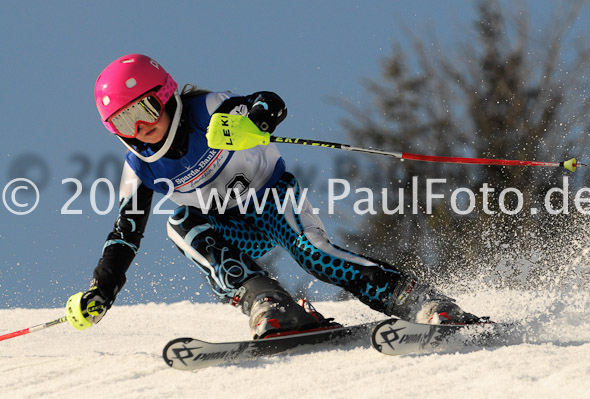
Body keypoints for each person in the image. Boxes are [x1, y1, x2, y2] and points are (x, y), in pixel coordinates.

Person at [65, 54, 482, 339]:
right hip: (230, 228)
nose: (141, 128)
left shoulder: (207, 109)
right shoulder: (139, 168)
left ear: (166, 95)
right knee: (180, 225)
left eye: (146, 110)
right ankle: (269, 302)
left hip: (271, 201)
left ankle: (423, 302)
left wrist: (255, 118)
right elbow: (124, 235)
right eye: (124, 122)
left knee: (317, 257)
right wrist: (101, 290)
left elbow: (268, 102)